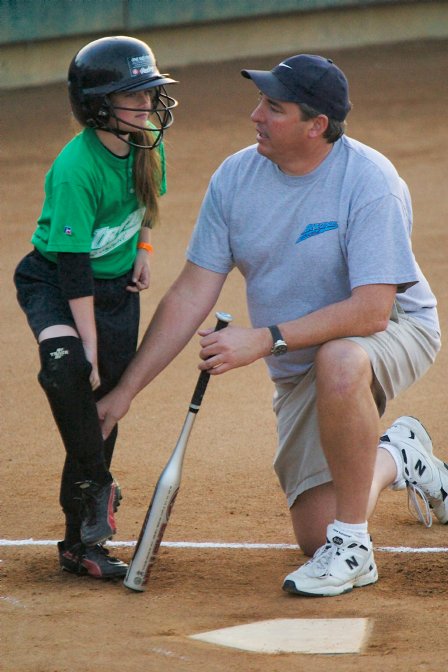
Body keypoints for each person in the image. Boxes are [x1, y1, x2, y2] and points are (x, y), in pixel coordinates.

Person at [97, 54, 447, 597]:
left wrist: (263, 339)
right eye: (260, 101)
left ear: (317, 126)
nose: (255, 115)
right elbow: (192, 291)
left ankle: (354, 548)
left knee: (341, 358)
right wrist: (125, 394)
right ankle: (400, 455)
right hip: (300, 358)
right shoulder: (236, 177)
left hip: (395, 328)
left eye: (273, 107)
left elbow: (372, 310)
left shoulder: (370, 180)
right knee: (313, 532)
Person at [13, 36, 178, 579]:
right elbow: (73, 263)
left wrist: (145, 251)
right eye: (134, 95)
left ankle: (78, 544)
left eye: (149, 92)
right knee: (68, 370)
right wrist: (87, 343)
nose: (148, 104)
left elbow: (148, 203)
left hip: (115, 294)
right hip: (57, 282)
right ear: (98, 104)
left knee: (104, 412)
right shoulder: (75, 167)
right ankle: (98, 492)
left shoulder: (147, 142)